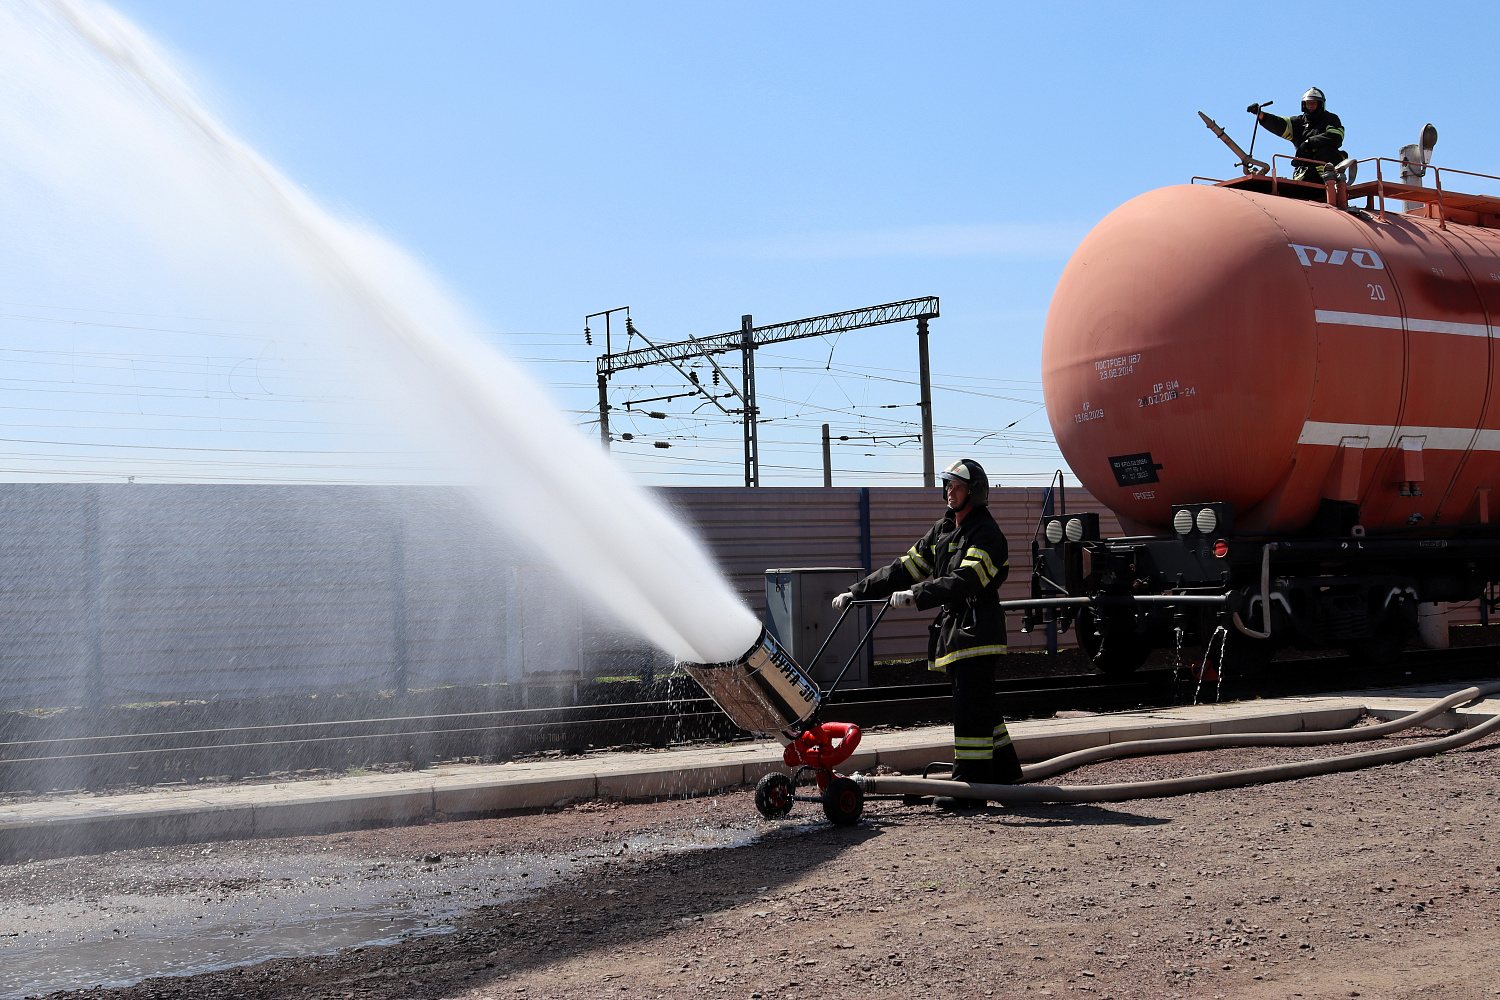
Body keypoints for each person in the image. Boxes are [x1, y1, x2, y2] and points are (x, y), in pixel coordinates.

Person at [832, 459, 1020, 809]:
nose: (950, 491)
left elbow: (966, 579)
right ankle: (1006, 773)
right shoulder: (944, 529)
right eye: (948, 485)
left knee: (969, 709)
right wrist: (857, 592)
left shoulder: (987, 534)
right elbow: (905, 568)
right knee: (981, 707)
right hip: (957, 632)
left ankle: (970, 788)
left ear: (974, 493)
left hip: (978, 631)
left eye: (958, 486)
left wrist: (918, 595)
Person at [1249, 87, 1346, 183]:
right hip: (1305, 171)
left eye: (1314, 103)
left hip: (1328, 169)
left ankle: (1327, 180)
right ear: (1304, 105)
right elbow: (1280, 124)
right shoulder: (1298, 122)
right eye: (1308, 103)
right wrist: (1261, 115)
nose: (1310, 105)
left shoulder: (1330, 119)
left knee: (1326, 152)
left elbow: (1335, 136)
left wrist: (1309, 142)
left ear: (1321, 104)